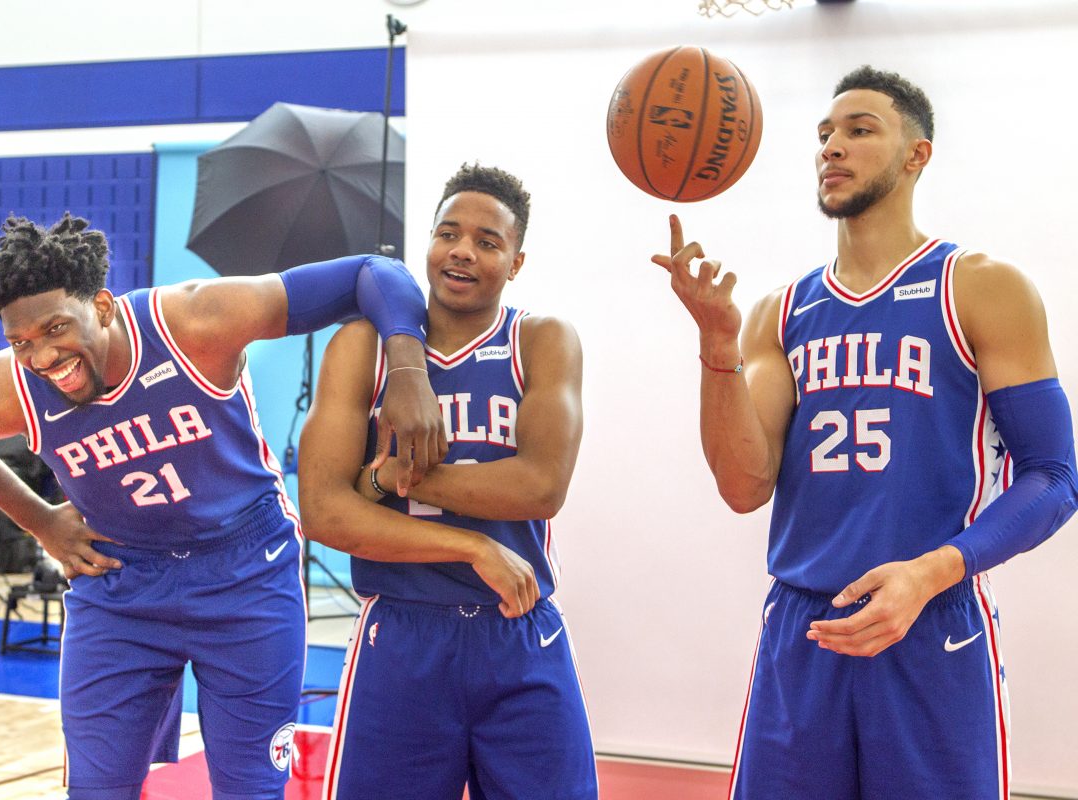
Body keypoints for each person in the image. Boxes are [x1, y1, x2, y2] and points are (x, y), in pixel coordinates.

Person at [0, 212, 447, 799]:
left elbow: (372, 273)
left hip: (247, 570)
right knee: (96, 792)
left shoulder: (192, 322)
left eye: (56, 328)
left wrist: (408, 372)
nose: (43, 356)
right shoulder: (13, 388)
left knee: (251, 791)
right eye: (21, 342)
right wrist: (40, 521)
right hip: (121, 581)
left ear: (102, 307)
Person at [653, 65, 1078, 799]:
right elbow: (743, 486)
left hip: (931, 618)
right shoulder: (781, 311)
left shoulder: (979, 286)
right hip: (803, 625)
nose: (832, 147)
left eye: (859, 130)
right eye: (824, 134)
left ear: (917, 154)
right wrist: (718, 347)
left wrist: (933, 571)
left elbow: (1055, 476)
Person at [298, 164, 597, 800]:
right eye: (448, 233)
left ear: (515, 263)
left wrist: (388, 479)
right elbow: (323, 513)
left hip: (517, 629)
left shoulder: (540, 341)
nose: (462, 251)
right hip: (402, 632)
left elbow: (540, 487)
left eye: (488, 242)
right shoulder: (362, 347)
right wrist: (474, 546)